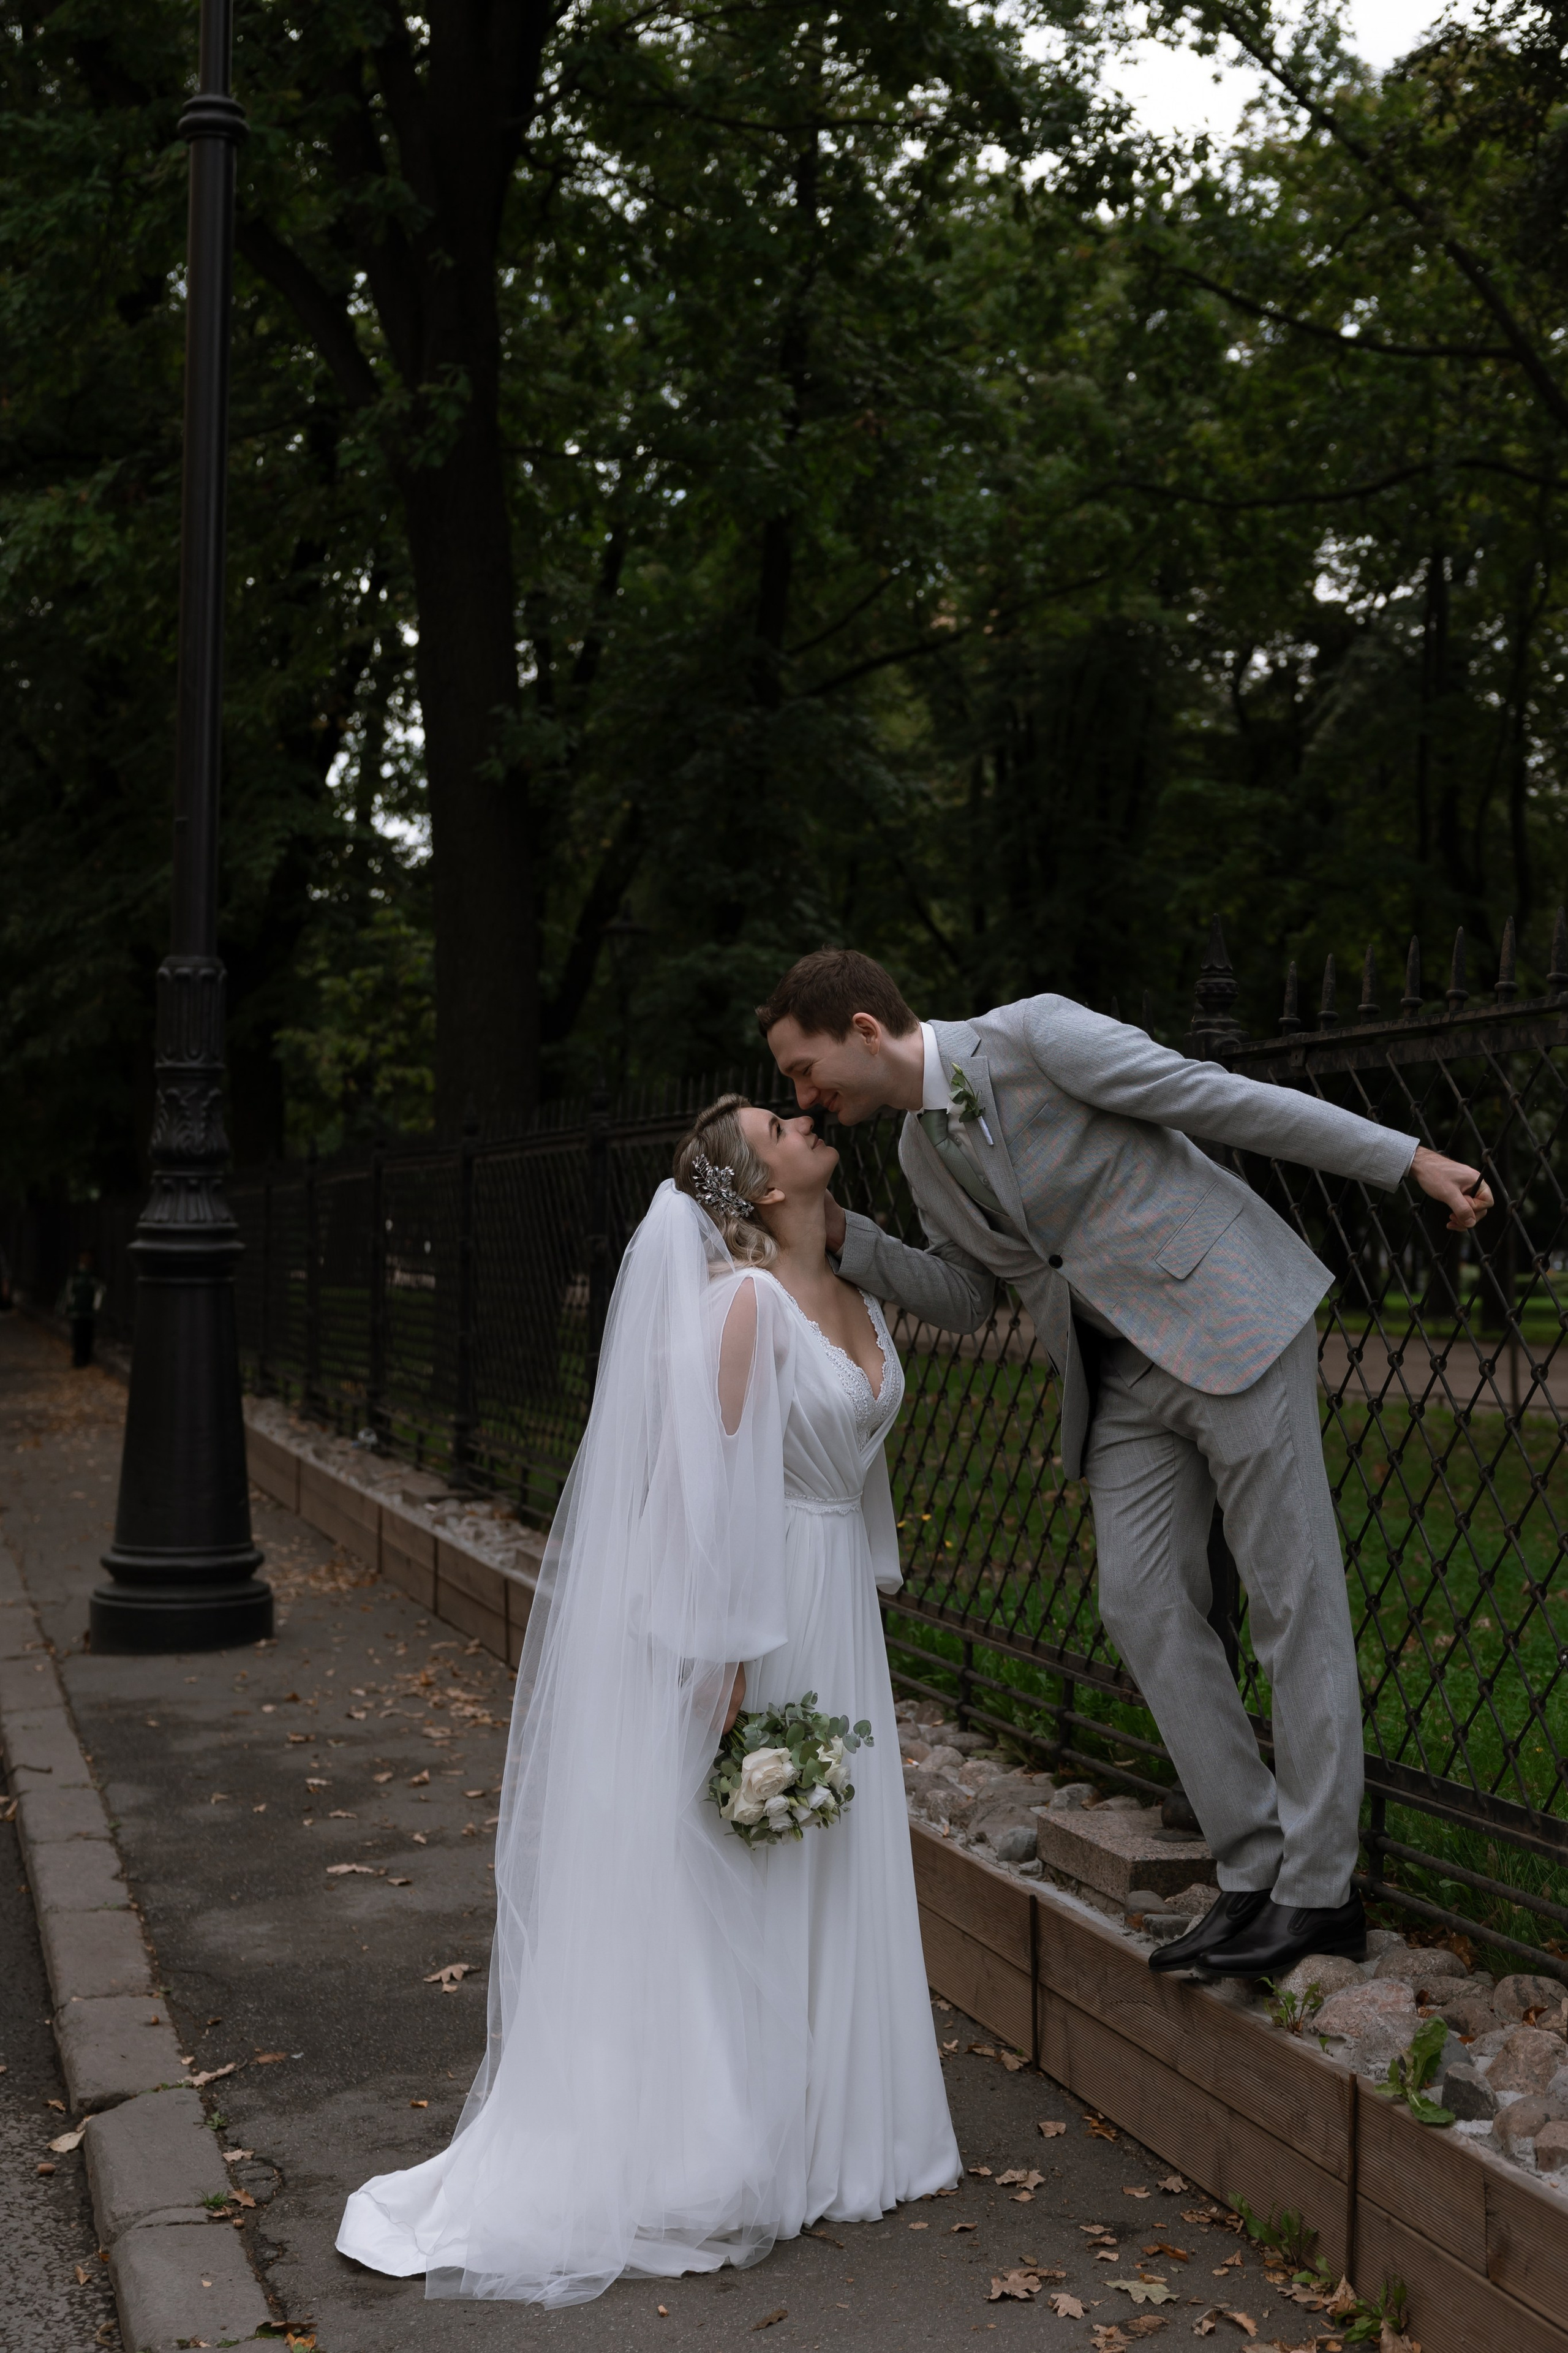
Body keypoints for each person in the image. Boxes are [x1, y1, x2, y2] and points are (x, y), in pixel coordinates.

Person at [758, 949, 1493, 1982]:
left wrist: (1404, 1158)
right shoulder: (925, 1157)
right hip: (1118, 1382)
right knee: (1139, 1603)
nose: (804, 1098)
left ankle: (1321, 1894)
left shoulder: (1036, 1035)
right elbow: (974, 1298)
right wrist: (846, 1236)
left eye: (804, 1068)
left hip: (1230, 1318)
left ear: (866, 1031)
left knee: (1293, 1599)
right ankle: (1254, 1868)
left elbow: (1216, 1098)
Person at [337, 1094, 957, 2305]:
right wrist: (720, 1658)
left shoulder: (853, 1292)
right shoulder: (739, 1307)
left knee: (835, 1846)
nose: (802, 1117)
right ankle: (745, 2122)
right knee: (758, 1848)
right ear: (762, 1187)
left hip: (838, 1604)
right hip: (762, 1609)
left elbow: (851, 1461)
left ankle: (851, 2129)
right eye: (777, 1123)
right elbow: (688, 1490)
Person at [58, 1251, 104, 1367]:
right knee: (78, 1335)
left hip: (88, 1311)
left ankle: (85, 1358)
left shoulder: (93, 1276)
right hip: (77, 1310)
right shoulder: (76, 1275)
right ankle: (78, 1358)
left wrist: (96, 1308)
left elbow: (99, 1292)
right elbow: (68, 1292)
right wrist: (67, 1307)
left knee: (87, 1335)